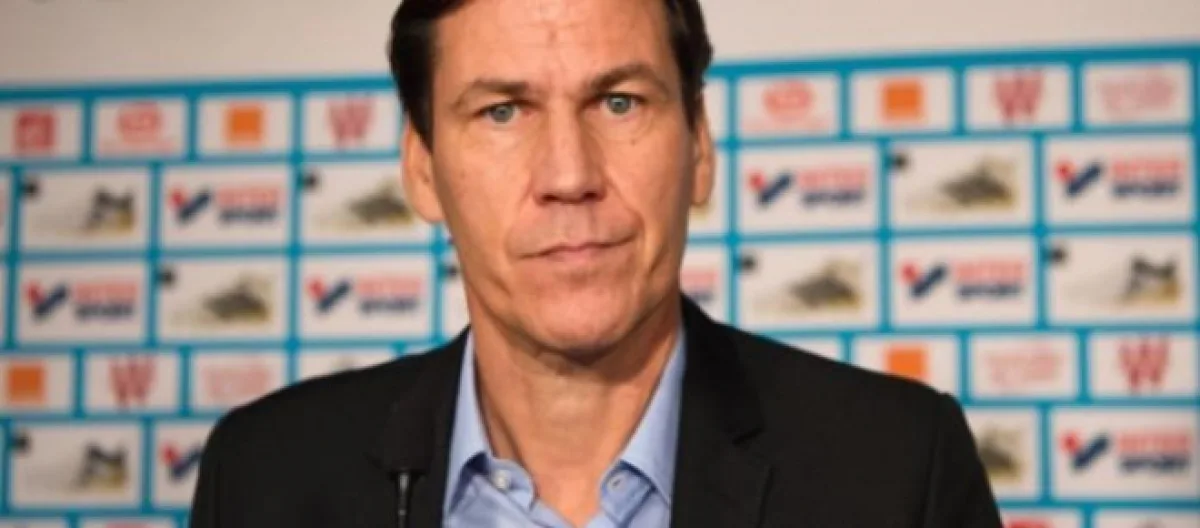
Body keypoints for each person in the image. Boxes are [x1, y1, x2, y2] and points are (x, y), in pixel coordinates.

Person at [189, 0, 1004, 526]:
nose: (569, 174)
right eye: (502, 112)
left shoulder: (896, 473)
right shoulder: (266, 480)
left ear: (699, 145)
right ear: (423, 169)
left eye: (620, 102)